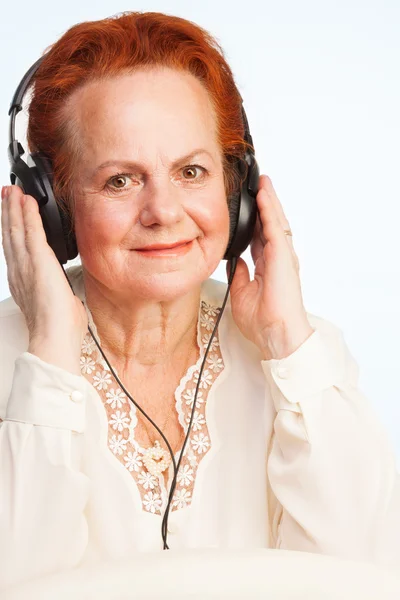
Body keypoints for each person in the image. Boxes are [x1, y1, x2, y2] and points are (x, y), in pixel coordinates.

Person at [0, 10, 399, 591]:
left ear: (237, 191)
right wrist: (50, 357)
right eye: (120, 180)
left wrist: (287, 343)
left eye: (191, 171)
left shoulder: (301, 361)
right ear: (51, 208)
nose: (163, 211)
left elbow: (364, 576)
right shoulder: (13, 364)